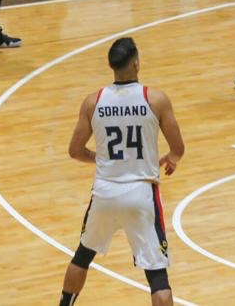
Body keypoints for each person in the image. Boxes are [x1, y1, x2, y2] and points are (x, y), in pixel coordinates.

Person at [59, 37, 185, 306]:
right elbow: (178, 147)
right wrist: (172, 158)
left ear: (110, 66)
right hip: (141, 193)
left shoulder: (94, 101)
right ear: (137, 64)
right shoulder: (156, 99)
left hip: (105, 191)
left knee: (82, 257)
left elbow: (74, 150)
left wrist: (101, 159)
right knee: (158, 277)